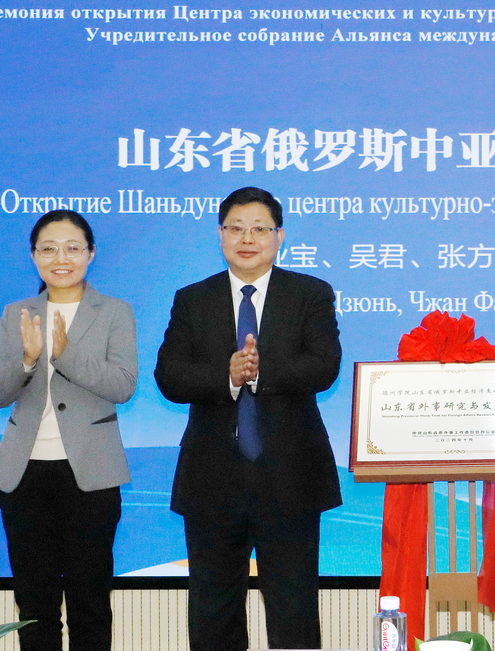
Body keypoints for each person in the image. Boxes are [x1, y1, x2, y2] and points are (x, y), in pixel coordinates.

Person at [154, 186, 342, 651]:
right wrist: (228, 376)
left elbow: (324, 366)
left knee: (294, 614)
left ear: (280, 236)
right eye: (236, 228)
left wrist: (260, 372)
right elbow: (169, 376)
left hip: (290, 479)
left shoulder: (310, 294)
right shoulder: (192, 299)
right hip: (211, 481)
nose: (247, 238)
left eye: (260, 228)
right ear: (220, 235)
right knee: (213, 615)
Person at [0, 210, 138, 651]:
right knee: (35, 605)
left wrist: (64, 354)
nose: (61, 258)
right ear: (34, 256)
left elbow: (123, 385)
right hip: (24, 474)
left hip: (91, 474)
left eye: (73, 248)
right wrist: (28, 360)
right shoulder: (17, 313)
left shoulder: (115, 311)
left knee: (90, 601)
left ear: (91, 253)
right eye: (48, 249)